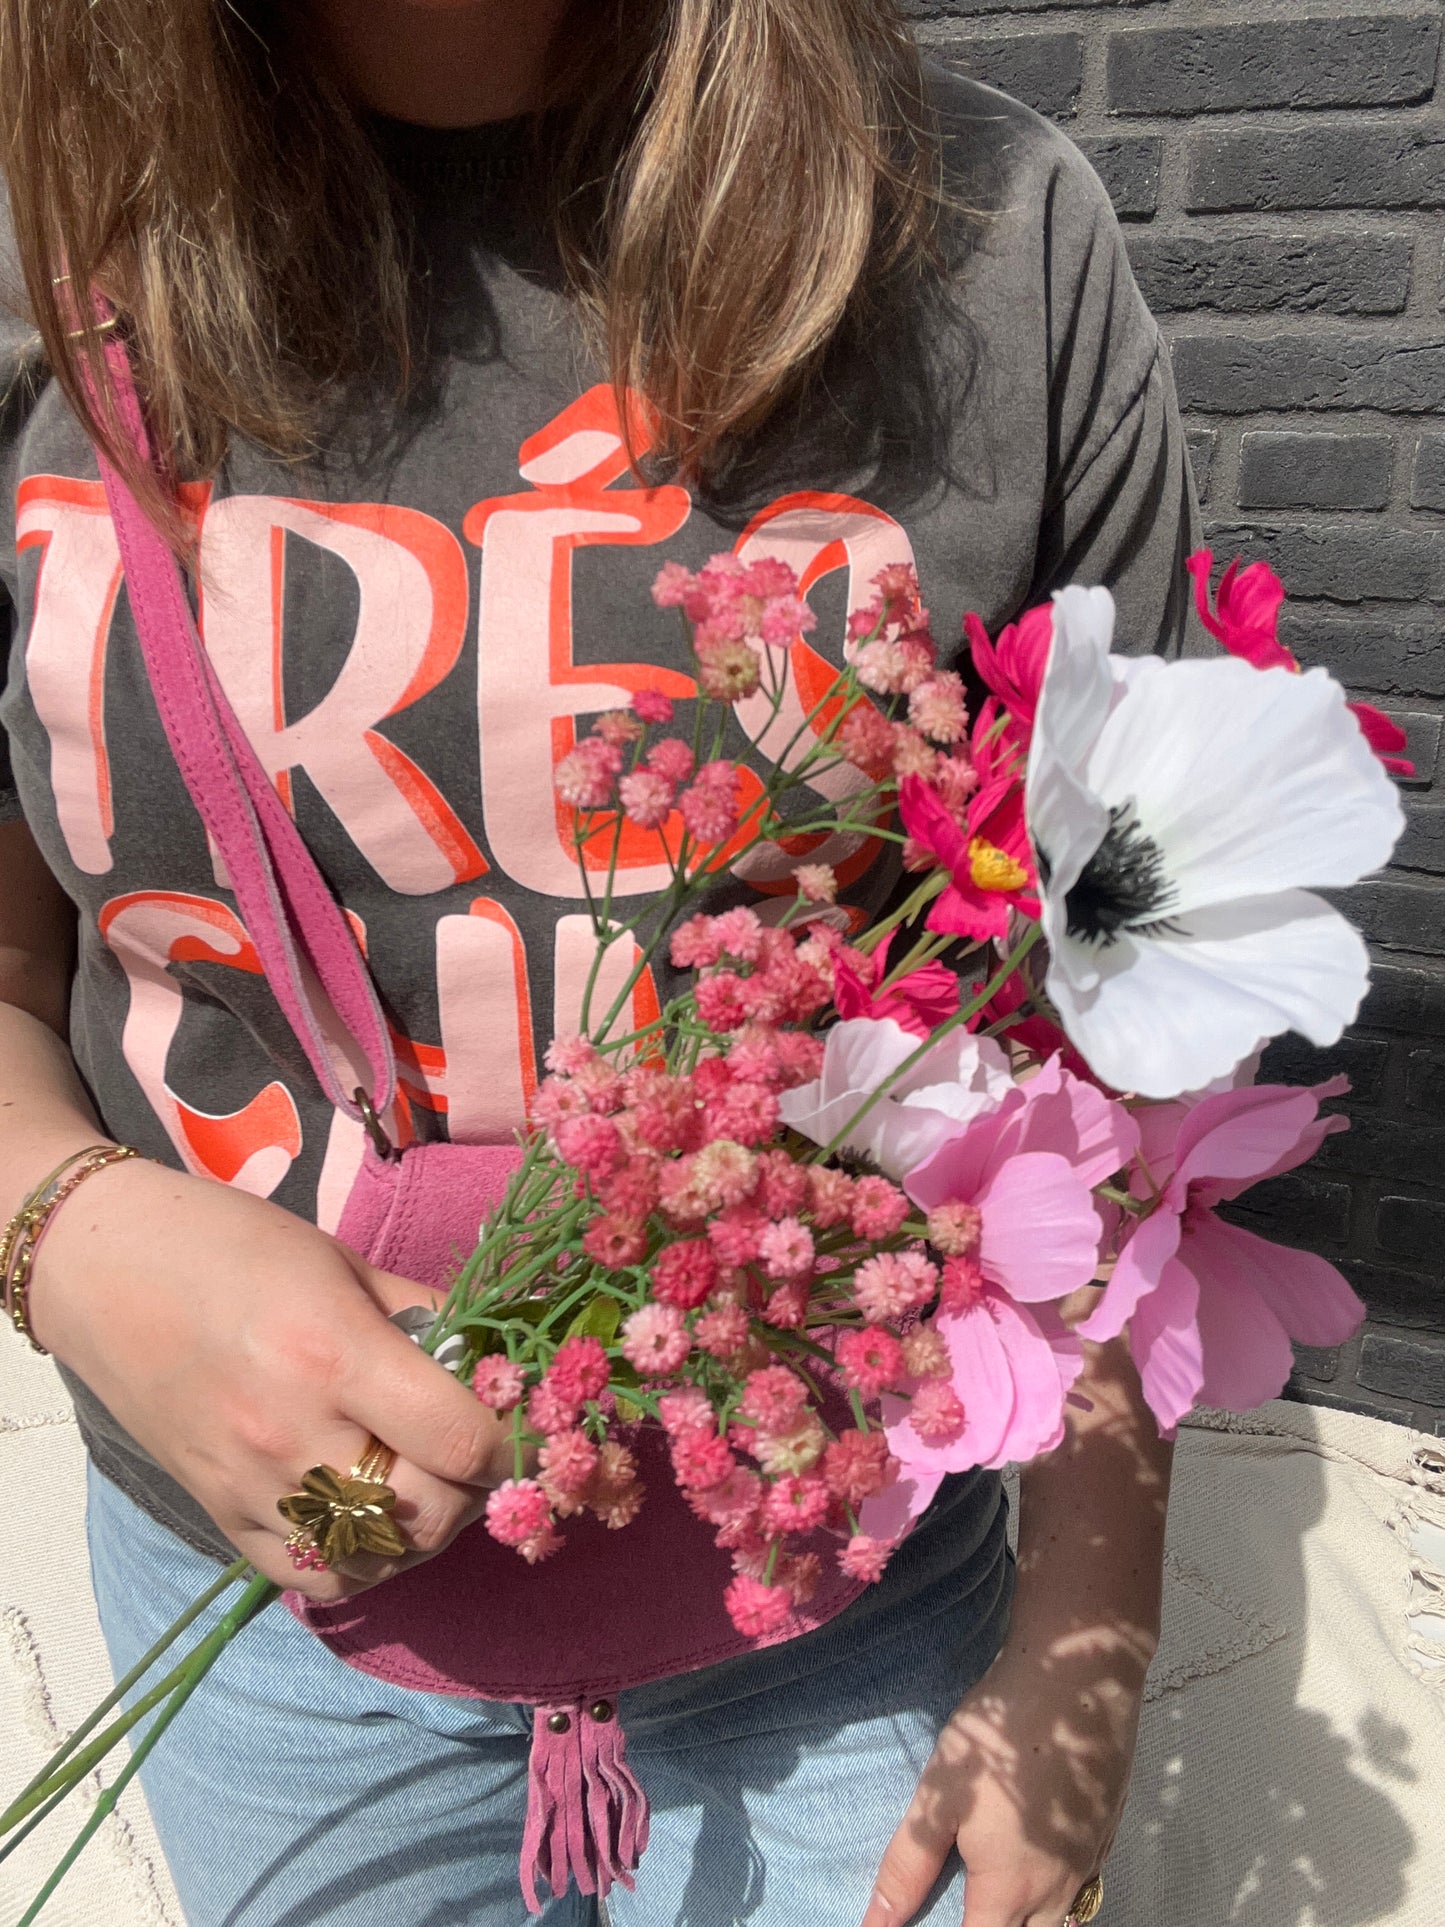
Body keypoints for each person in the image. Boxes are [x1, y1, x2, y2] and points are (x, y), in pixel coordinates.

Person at [0, 1, 1191, 1921]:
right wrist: (66, 1234)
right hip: (258, 1616)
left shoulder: (982, 243)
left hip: (853, 1607)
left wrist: (1084, 1636)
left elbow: (1125, 1037)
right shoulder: (39, 246)